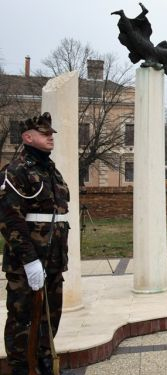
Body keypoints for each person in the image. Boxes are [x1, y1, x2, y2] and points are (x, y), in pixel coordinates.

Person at [0, 113, 70, 375]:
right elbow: (10, 220)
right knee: (23, 319)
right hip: (26, 262)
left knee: (50, 317)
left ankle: (44, 362)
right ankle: (21, 368)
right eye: (44, 134)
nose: (50, 137)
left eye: (51, 133)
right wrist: (29, 261)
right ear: (28, 137)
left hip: (53, 260)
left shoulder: (50, 170)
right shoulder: (15, 170)